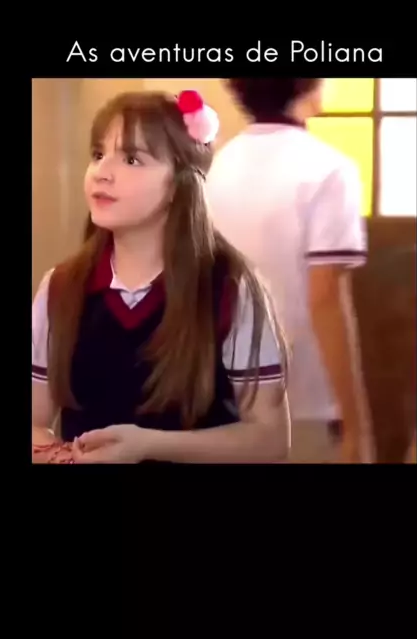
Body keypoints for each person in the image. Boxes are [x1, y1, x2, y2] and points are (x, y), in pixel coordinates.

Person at [32, 89, 290, 464]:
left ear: (179, 184)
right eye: (98, 155)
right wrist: (66, 458)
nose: (102, 173)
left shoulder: (230, 288)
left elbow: (269, 439)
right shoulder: (60, 288)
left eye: (131, 159)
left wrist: (148, 446)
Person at [206, 79, 373, 463]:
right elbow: (325, 298)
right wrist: (357, 428)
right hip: (303, 406)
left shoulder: (215, 167)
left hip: (222, 400)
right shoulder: (328, 170)